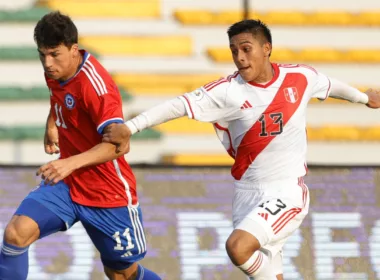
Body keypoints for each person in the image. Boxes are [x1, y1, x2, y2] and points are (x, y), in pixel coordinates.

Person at [102, 19, 380, 279]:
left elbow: (332, 86)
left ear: (266, 48)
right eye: (234, 51)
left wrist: (365, 98)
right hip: (246, 192)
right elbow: (178, 105)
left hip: (287, 190)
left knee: (238, 247)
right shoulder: (227, 91)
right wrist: (132, 127)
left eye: (246, 49)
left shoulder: (300, 77)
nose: (240, 57)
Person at [0, 11, 161, 280]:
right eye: (42, 55)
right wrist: (52, 122)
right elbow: (61, 95)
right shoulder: (56, 71)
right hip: (68, 184)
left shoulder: (97, 87)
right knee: (15, 234)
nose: (47, 63)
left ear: (74, 49)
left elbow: (119, 146)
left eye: (54, 54)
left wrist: (68, 163)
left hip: (107, 194)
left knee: (121, 274)